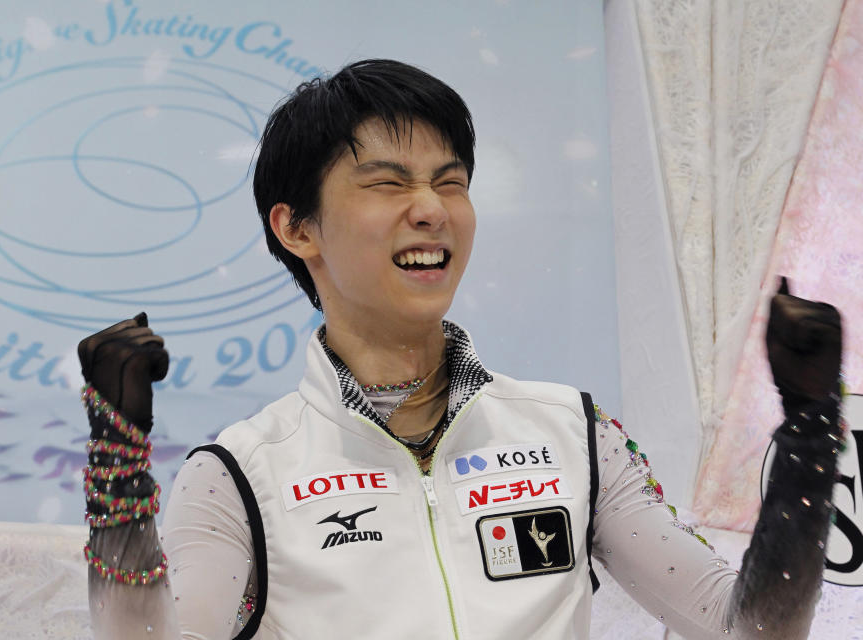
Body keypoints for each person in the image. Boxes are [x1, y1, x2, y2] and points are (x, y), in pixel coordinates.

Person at [77, 59, 845, 639]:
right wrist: (117, 460)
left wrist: (810, 427)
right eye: (387, 183)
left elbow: (749, 627)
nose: (430, 210)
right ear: (296, 227)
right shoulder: (241, 472)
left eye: (450, 182)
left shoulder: (568, 433)